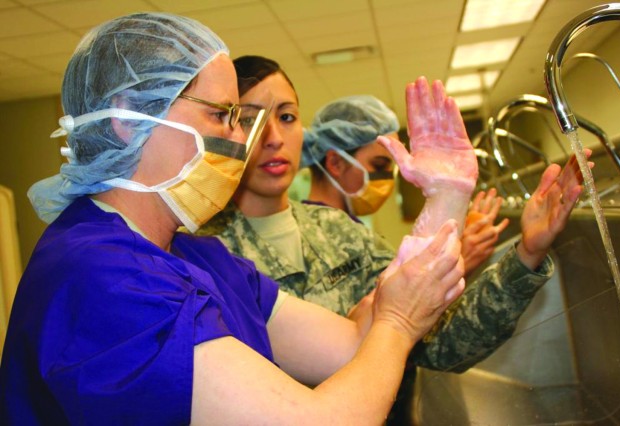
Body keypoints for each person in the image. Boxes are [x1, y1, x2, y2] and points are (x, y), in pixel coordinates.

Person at [0, 13, 470, 425]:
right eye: (224, 114)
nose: (238, 138)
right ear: (129, 117)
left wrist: (445, 202)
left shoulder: (194, 252)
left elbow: (352, 344)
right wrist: (400, 321)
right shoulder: (100, 279)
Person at [198, 55, 590, 372]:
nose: (274, 138)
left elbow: (441, 344)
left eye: (287, 116)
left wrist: (526, 255)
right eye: (249, 119)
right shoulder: (199, 251)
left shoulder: (339, 231)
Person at [300, 95, 510, 276]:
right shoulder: (308, 240)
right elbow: (391, 316)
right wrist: (455, 260)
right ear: (336, 163)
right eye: (379, 165)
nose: (387, 179)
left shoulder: (356, 233)